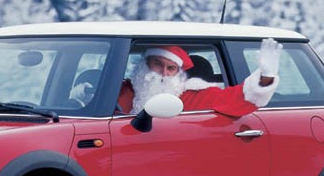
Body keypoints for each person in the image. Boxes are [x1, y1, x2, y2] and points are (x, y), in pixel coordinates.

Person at [117, 41, 281, 119]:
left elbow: (234, 98)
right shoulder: (119, 91)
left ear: (178, 74)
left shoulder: (192, 96)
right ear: (145, 64)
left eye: (171, 68)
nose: (164, 73)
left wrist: (265, 77)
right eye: (157, 64)